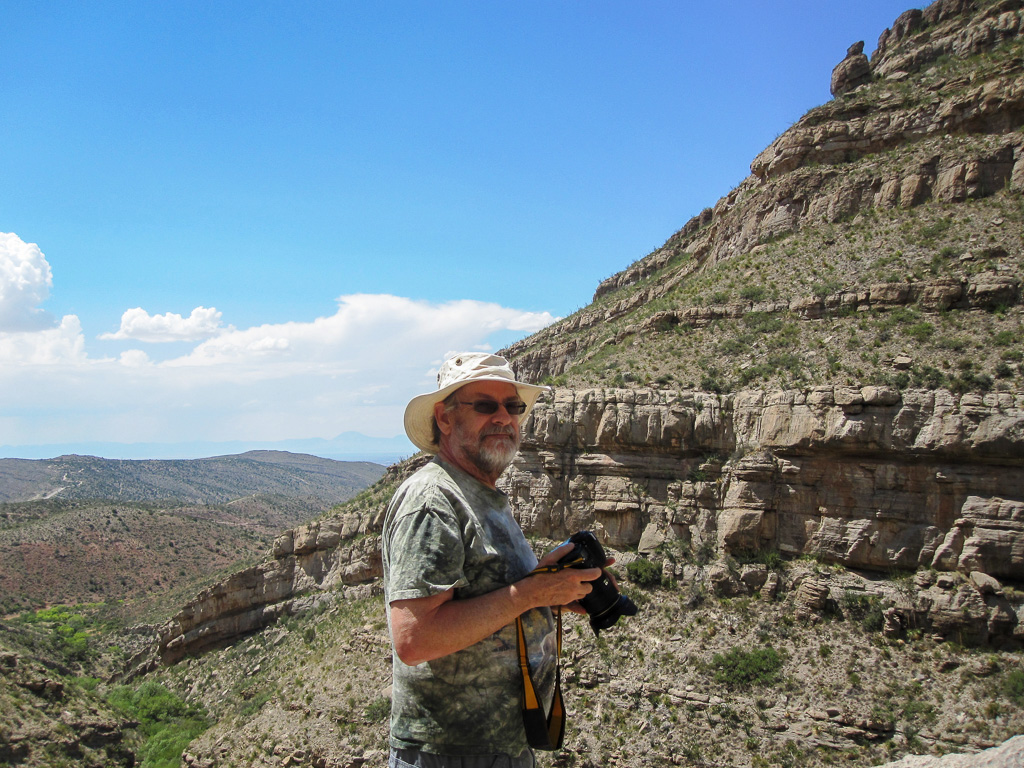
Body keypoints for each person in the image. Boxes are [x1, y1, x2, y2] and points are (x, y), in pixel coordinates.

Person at [382, 352, 603, 768]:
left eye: (513, 406)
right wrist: (528, 593)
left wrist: (545, 590)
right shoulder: (433, 501)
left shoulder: (481, 494)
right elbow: (415, 639)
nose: (504, 417)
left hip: (499, 746)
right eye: (485, 405)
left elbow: (495, 596)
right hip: (449, 754)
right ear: (444, 419)